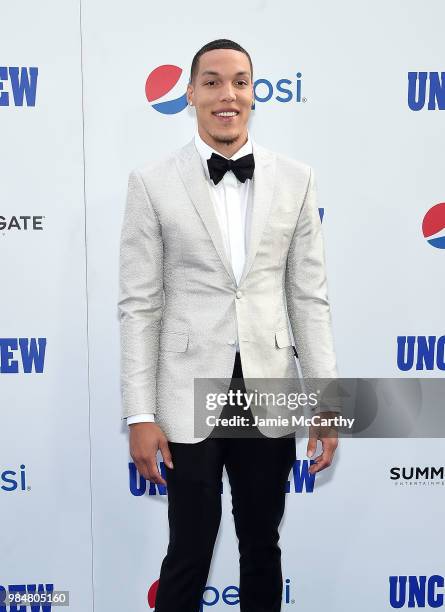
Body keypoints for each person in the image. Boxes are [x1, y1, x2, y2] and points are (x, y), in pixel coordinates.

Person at [118, 38, 339, 612]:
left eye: (240, 81)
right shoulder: (151, 182)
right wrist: (141, 414)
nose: (227, 94)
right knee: (188, 550)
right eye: (212, 81)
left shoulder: (296, 178)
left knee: (262, 546)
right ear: (190, 93)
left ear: (253, 93)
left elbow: (308, 298)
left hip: (268, 387)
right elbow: (140, 306)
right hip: (187, 391)